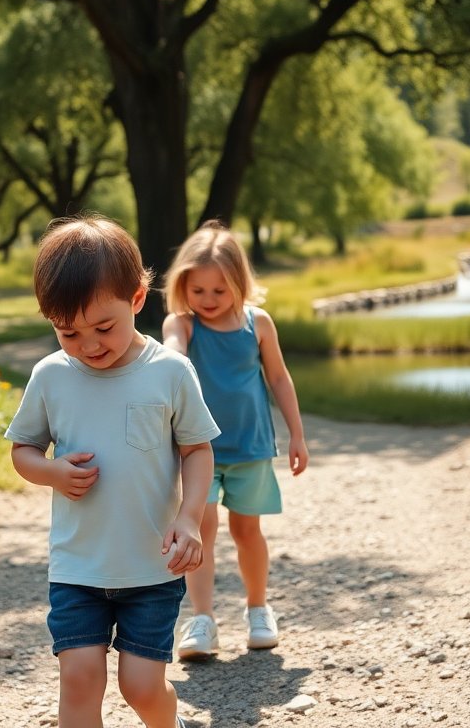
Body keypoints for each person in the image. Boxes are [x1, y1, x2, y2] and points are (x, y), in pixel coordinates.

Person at [6, 215, 219, 728]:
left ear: (138, 299)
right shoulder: (51, 375)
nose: (89, 344)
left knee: (141, 687)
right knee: (79, 680)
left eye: (104, 327)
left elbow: (196, 451)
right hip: (78, 567)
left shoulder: (169, 370)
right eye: (68, 332)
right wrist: (52, 471)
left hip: (152, 567)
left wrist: (190, 517)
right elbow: (23, 450)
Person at [160, 220, 309, 660]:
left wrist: (297, 434)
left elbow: (279, 378)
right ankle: (202, 619)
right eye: (197, 290)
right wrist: (173, 356)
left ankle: (258, 608)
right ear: (182, 286)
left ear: (239, 285)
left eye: (218, 291)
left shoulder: (257, 324)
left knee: (248, 530)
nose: (207, 300)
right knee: (200, 529)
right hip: (197, 451)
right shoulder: (182, 325)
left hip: (250, 448)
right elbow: (172, 354)